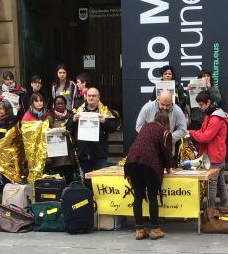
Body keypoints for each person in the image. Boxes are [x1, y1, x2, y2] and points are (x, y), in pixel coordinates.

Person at [124, 110, 173, 241]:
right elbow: (167, 153)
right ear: (166, 123)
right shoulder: (165, 132)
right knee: (152, 196)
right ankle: (155, 229)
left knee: (138, 196)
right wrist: (168, 167)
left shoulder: (145, 127)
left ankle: (139, 230)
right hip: (149, 165)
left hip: (132, 163)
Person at [188, 90, 228, 208]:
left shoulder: (215, 118)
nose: (200, 107)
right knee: (221, 183)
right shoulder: (211, 114)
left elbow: (206, 137)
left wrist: (190, 133)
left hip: (214, 157)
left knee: (212, 184)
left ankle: (209, 211)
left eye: (201, 104)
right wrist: (194, 132)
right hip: (218, 154)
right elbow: (202, 132)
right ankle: (224, 207)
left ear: (208, 102)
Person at [71, 88, 117, 174]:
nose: (91, 98)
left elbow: (113, 128)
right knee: (85, 182)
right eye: (89, 96)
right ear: (86, 97)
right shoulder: (78, 111)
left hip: (99, 154)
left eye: (94, 96)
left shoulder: (105, 111)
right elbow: (69, 129)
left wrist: (104, 121)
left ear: (98, 97)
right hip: (83, 154)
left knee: (99, 182)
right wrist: (73, 121)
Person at [46, 95, 76, 184]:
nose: (60, 105)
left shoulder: (71, 116)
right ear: (54, 105)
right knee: (58, 180)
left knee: (70, 178)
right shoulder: (49, 117)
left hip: (69, 153)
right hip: (56, 154)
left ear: (65, 104)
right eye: (57, 103)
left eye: (62, 103)